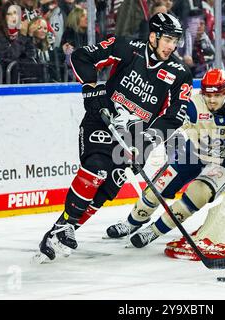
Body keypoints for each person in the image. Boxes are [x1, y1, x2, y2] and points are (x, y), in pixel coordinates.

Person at [35, 12, 193, 261]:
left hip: (134, 138)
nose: (172, 46)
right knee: (97, 168)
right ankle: (64, 227)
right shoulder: (126, 47)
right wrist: (91, 88)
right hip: (102, 120)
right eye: (168, 40)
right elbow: (81, 56)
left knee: (109, 186)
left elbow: (174, 117)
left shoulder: (180, 73)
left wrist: (145, 142)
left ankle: (61, 231)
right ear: (153, 36)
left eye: (175, 41)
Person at [105, 69, 225, 249]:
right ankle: (132, 223)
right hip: (194, 154)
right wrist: (142, 148)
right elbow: (169, 125)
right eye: (208, 95)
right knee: (158, 186)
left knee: (198, 194)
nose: (212, 100)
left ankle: (154, 231)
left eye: (217, 95)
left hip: (224, 163)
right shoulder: (193, 105)